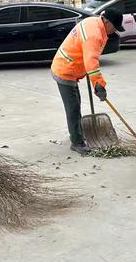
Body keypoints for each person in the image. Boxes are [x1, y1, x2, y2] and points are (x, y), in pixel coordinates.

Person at [51, 9, 125, 155]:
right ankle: (77, 142)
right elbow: (91, 61)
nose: (114, 30)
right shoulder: (94, 34)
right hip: (65, 69)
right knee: (73, 108)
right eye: (114, 26)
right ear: (106, 21)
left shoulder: (93, 22)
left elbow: (87, 55)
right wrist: (99, 85)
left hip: (70, 67)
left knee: (75, 104)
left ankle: (76, 133)